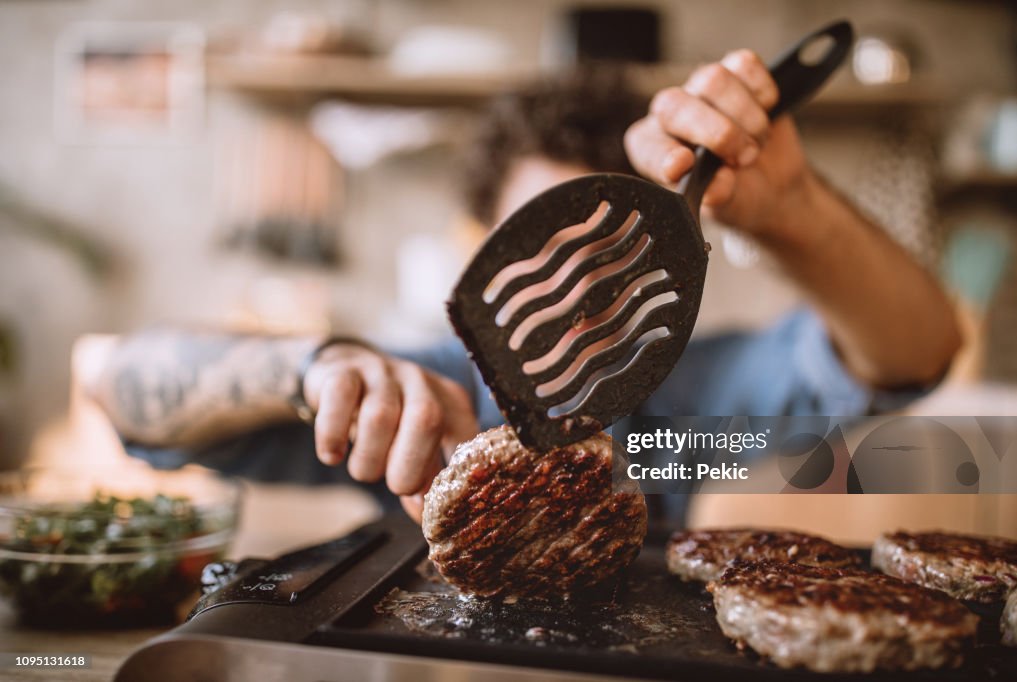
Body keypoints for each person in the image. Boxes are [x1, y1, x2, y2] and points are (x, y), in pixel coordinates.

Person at [88, 51, 961, 522]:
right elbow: (117, 383)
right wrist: (313, 368)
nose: (575, 290)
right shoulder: (428, 389)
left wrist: (794, 210)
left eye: (611, 252)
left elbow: (916, 353)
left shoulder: (691, 404)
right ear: (483, 252)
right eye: (542, 246)